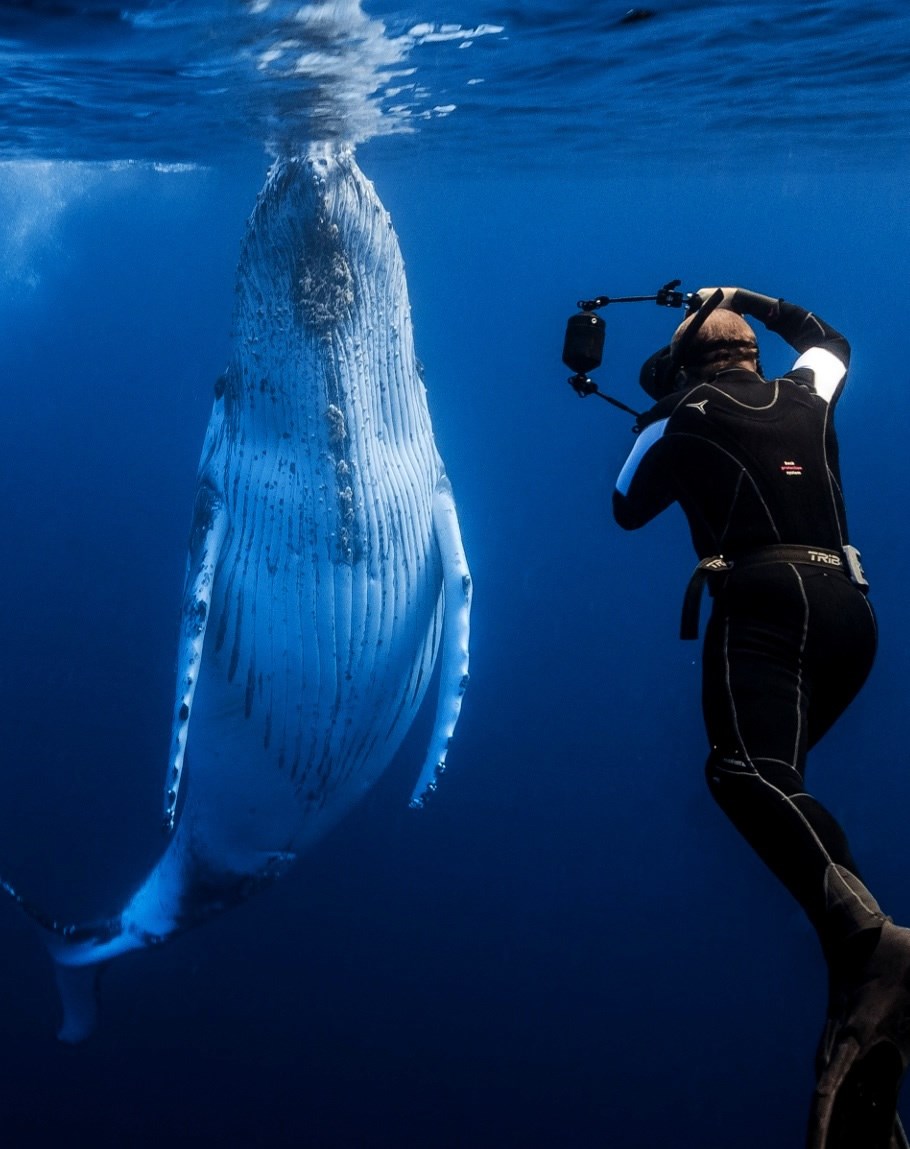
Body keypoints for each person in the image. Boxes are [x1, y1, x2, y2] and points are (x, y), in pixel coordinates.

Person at [611, 285, 910, 1148]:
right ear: (750, 349)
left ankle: (871, 946)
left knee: (741, 772)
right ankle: (861, 973)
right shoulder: (809, 388)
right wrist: (742, 296)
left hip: (766, 599)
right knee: (781, 785)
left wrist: (661, 412)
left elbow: (626, 504)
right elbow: (828, 336)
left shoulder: (679, 410)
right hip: (853, 616)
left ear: (686, 364)